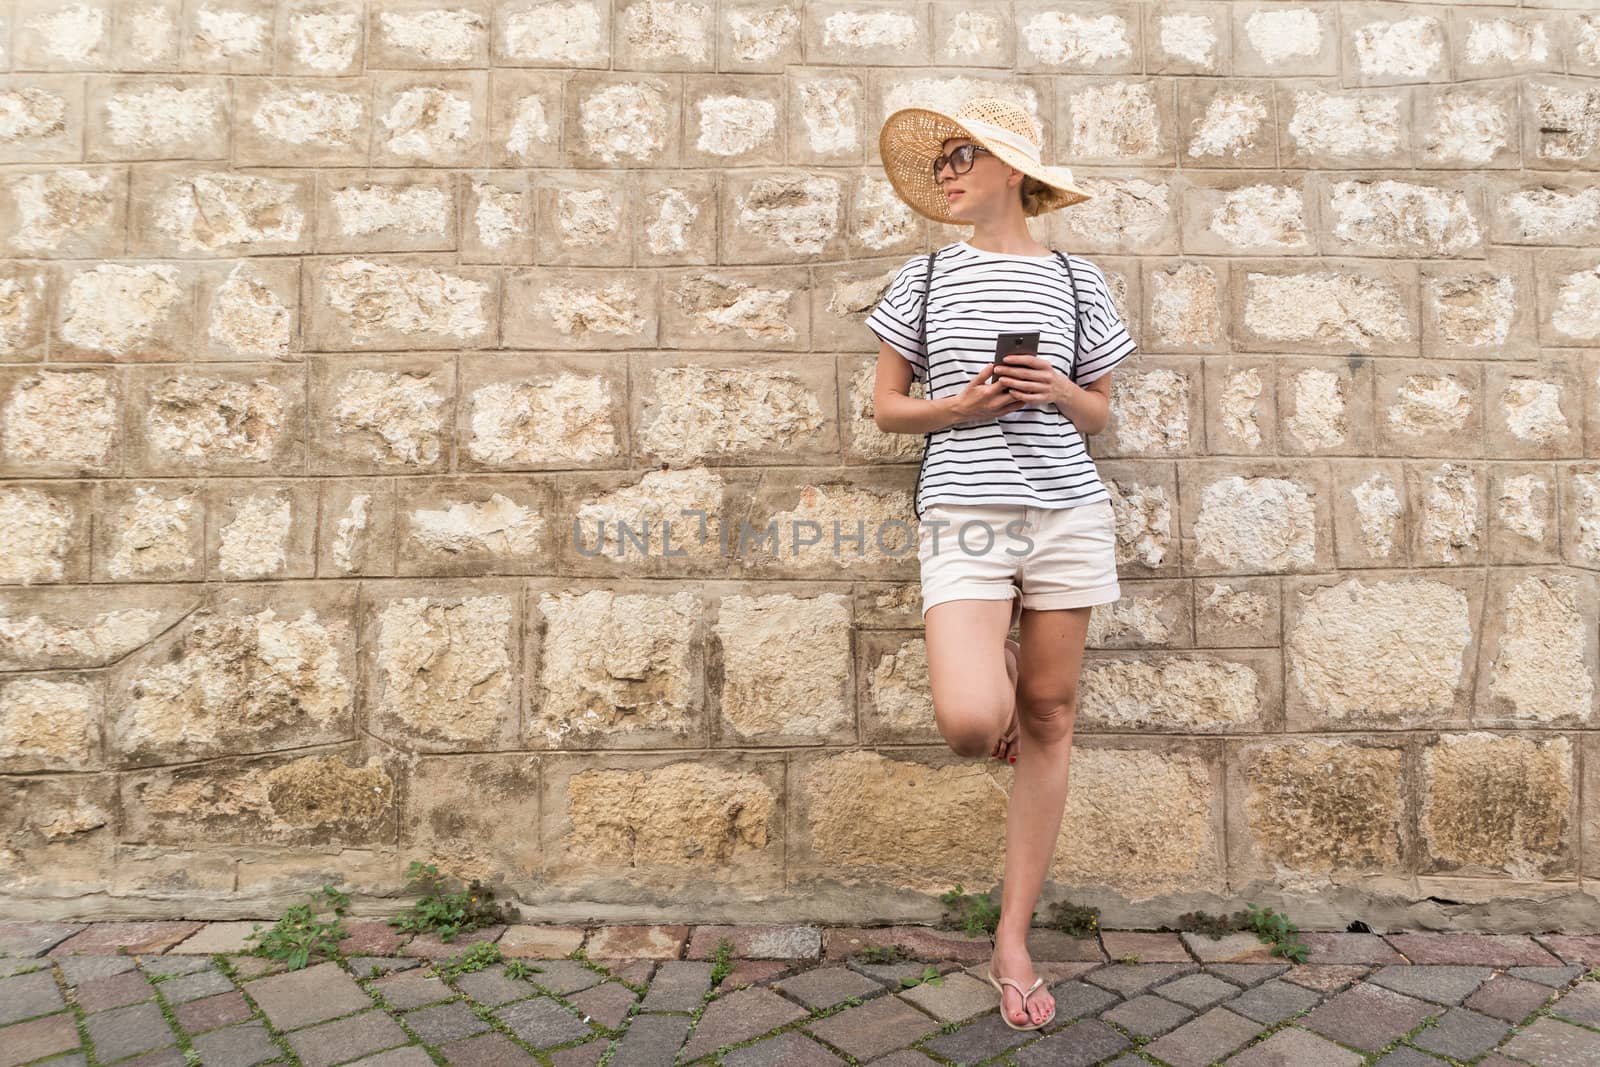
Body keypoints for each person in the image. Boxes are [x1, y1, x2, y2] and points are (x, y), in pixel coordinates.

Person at [865, 96, 1137, 1032]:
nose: (947, 172)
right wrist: (960, 409)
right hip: (966, 511)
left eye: (964, 156)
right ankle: (1003, 666)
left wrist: (1056, 388)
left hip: (1066, 511)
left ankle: (1012, 938)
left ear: (1013, 171)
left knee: (1051, 718)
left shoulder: (1077, 280)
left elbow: (1100, 414)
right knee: (975, 721)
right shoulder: (925, 278)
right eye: (940, 161)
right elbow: (886, 409)